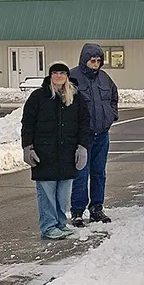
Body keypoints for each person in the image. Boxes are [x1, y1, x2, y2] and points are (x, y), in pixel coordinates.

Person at [21, 62, 90, 240]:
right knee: (46, 194)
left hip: (67, 152)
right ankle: (48, 226)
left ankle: (60, 223)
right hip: (44, 153)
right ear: (50, 75)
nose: (58, 76)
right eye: (55, 73)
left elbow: (84, 123)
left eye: (62, 73)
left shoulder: (75, 97)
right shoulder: (38, 97)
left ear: (67, 76)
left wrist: (82, 147)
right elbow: (27, 124)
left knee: (62, 194)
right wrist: (28, 147)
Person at [69, 43, 119, 227]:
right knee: (81, 173)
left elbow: (114, 97)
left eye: (98, 61)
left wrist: (112, 114)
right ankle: (77, 211)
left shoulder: (105, 79)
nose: (95, 64)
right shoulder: (73, 77)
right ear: (85, 60)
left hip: (102, 134)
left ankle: (97, 208)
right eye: (92, 61)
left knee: (99, 173)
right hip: (82, 137)